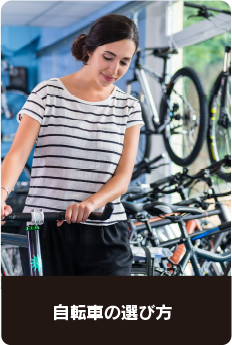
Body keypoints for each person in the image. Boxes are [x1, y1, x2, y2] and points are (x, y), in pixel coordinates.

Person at [0, 14, 145, 276]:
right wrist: (0, 193)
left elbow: (123, 177)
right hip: (45, 230)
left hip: (105, 233)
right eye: (108, 57)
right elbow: (18, 154)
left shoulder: (129, 107)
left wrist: (90, 204)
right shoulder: (47, 93)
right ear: (89, 50)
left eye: (124, 62)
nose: (115, 70)